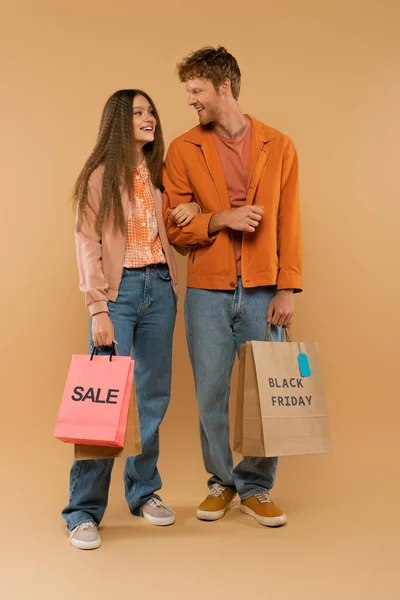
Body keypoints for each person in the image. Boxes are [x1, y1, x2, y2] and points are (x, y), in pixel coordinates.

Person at [164, 47, 303, 528]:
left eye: (196, 90)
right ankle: (223, 482)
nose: (190, 100)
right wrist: (220, 218)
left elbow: (290, 223)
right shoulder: (182, 149)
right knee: (211, 392)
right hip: (207, 289)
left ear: (224, 87)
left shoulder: (279, 145)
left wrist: (287, 288)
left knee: (266, 392)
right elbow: (176, 231)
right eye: (189, 91)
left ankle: (258, 486)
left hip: (266, 287)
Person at [62, 89, 199, 550]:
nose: (149, 118)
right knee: (104, 402)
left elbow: (180, 228)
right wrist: (97, 306)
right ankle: (83, 511)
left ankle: (144, 492)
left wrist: (193, 209)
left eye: (151, 111)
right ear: (119, 122)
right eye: (138, 112)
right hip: (117, 298)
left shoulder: (162, 174)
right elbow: (86, 240)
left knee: (153, 395)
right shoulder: (100, 176)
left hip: (160, 290)